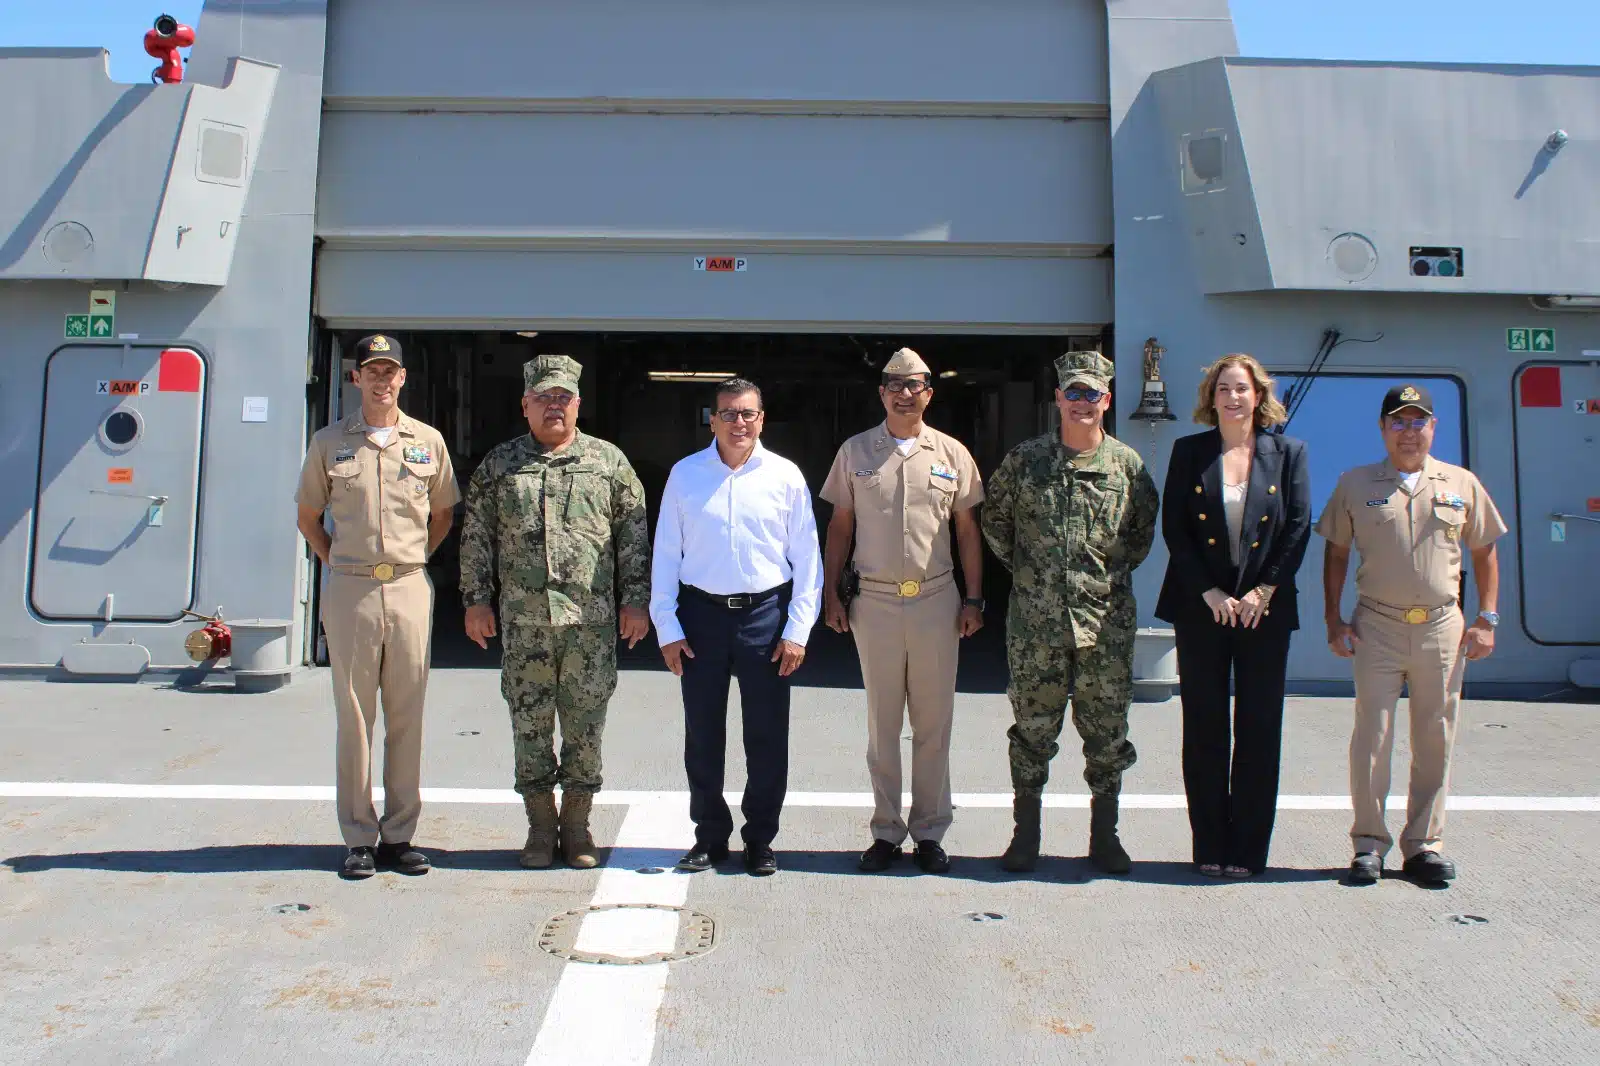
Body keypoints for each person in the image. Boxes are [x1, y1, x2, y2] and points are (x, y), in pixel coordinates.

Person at [458, 355, 651, 870]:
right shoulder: (500, 466)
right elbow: (476, 537)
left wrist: (636, 601)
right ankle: (540, 830)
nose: (554, 407)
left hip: (590, 626)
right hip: (525, 627)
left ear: (578, 404)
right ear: (525, 406)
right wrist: (475, 600)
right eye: (543, 398)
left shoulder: (609, 463)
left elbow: (634, 537)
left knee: (586, 728)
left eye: (563, 398)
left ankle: (578, 827)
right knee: (530, 728)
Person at [1318, 383, 1505, 886]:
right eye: (1398, 421)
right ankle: (1369, 844)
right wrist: (1334, 620)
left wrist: (1486, 619)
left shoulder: (1460, 483)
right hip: (1376, 624)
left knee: (1435, 736)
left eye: (1417, 421)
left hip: (1442, 625)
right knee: (1372, 736)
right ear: (1382, 429)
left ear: (1432, 427)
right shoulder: (1356, 483)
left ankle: (1424, 845)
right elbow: (1335, 554)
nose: (1408, 431)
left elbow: (1485, 552)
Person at [982, 351, 1159, 874]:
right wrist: (1036, 577)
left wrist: (1096, 578)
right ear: (1058, 397)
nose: (1083, 402)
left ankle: (1106, 837)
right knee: (1031, 732)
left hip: (1105, 625)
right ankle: (1025, 838)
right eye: (1073, 393)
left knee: (1107, 735)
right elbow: (997, 524)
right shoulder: (1026, 460)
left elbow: (1140, 536)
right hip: (1036, 627)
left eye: (1093, 394)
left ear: (1107, 399)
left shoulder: (1127, 466)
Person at [295, 334, 460, 879]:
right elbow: (308, 517)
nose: (381, 380)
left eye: (390, 372)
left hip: (409, 587)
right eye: (372, 371)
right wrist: (339, 564)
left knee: (407, 713)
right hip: (351, 589)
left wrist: (411, 562)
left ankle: (401, 835)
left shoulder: (428, 441)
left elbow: (442, 516)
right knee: (355, 715)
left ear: (403, 379)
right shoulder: (328, 443)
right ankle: (359, 837)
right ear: (356, 379)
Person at [820, 348, 986, 875]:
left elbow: (966, 532)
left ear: (929, 393)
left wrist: (974, 598)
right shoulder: (855, 451)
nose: (904, 391)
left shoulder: (953, 454)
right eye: (894, 383)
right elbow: (841, 527)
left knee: (934, 722)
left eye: (914, 384)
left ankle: (931, 831)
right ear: (882, 393)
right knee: (882, 724)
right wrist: (831, 595)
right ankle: (887, 831)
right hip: (877, 602)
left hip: (937, 600)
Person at [651, 378, 823, 877]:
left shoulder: (786, 477)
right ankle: (709, 836)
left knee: (766, 735)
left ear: (762, 419)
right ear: (713, 421)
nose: (739, 423)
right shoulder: (685, 476)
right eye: (728, 414)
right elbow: (665, 553)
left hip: (765, 618)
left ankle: (760, 840)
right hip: (700, 617)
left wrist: (797, 630)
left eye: (747, 413)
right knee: (703, 734)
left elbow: (807, 559)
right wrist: (667, 624)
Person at [1155, 354, 1311, 879]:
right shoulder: (1189, 451)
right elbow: (1175, 528)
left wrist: (1264, 590)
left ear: (1259, 395)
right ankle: (1210, 849)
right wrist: (1210, 592)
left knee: (1259, 726)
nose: (1233, 397)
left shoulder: (1289, 453)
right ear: (1211, 398)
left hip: (1263, 611)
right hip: (1204, 609)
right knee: (1204, 727)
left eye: (1242, 388)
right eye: (1223, 388)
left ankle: (1248, 851)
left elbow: (1299, 526)